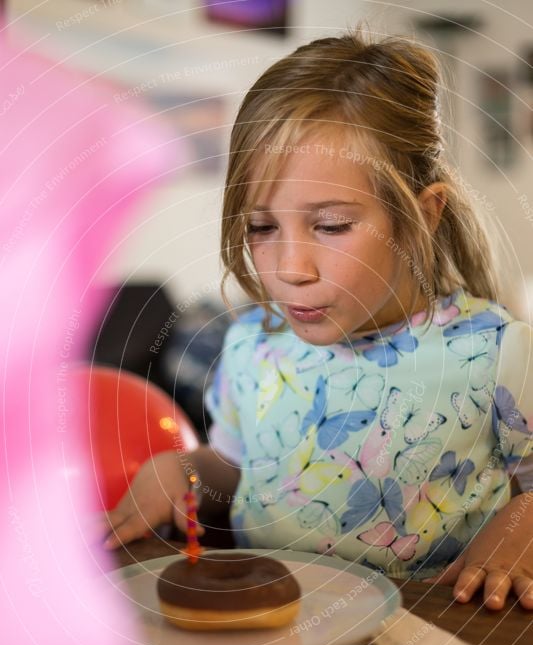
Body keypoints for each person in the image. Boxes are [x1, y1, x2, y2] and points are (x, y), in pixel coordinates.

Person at [100, 27, 533, 610]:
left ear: (422, 216)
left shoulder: (499, 351)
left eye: (330, 226)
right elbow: (234, 466)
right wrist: (182, 471)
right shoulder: (252, 343)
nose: (289, 267)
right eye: (262, 227)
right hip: (266, 638)